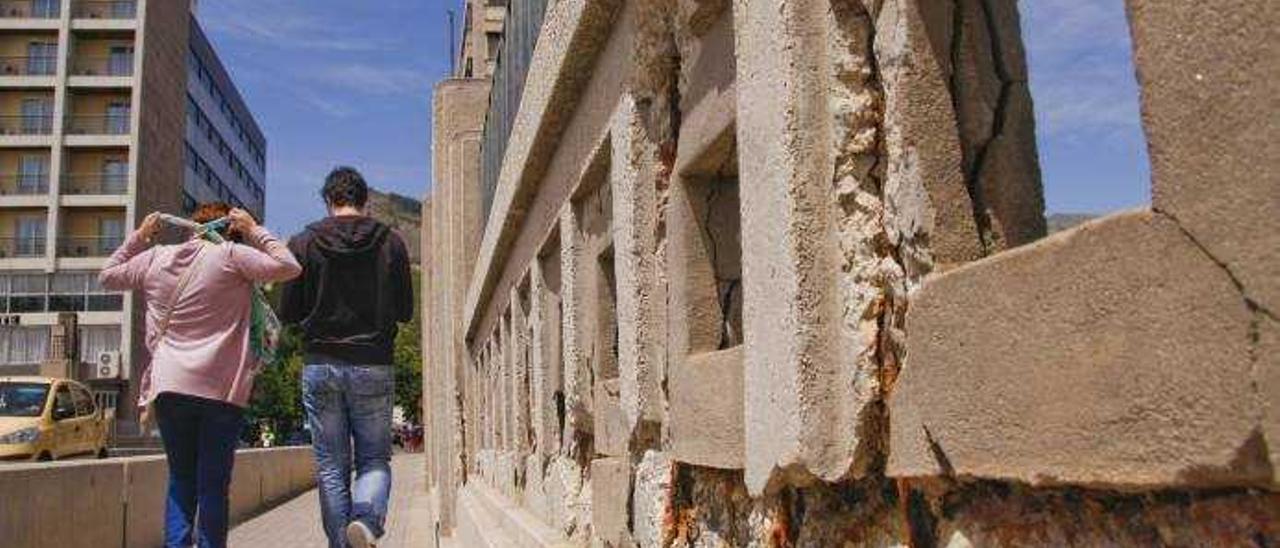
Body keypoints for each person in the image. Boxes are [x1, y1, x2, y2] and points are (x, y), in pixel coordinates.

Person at [100, 203, 301, 548]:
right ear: (229, 229)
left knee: (181, 478)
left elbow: (107, 275)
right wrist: (255, 230)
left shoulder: (156, 257)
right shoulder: (231, 256)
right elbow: (289, 266)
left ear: (192, 226)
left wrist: (140, 237)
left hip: (170, 388)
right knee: (212, 485)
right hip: (222, 391)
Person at [280, 167, 413, 548]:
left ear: (327, 200)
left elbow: (287, 311)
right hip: (374, 361)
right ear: (365, 200)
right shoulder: (392, 243)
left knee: (331, 467)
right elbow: (405, 310)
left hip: (320, 362)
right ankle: (367, 519)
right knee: (373, 460)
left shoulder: (303, 243)